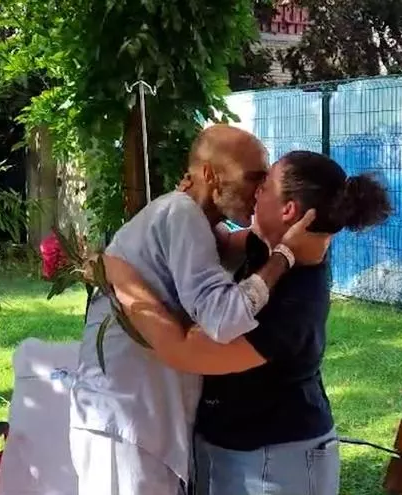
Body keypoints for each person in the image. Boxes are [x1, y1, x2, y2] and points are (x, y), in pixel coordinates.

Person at [104, 150, 393, 495]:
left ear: (289, 211)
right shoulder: (269, 247)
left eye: (266, 185)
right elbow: (222, 241)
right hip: (233, 446)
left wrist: (121, 278)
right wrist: (197, 201)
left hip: (277, 461)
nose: (256, 191)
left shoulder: (294, 305)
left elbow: (185, 351)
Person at [69, 125, 332, 495]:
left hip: (142, 418)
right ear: (210, 175)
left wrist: (296, 241)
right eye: (254, 178)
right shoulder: (182, 214)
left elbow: (229, 246)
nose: (258, 191)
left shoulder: (192, 220)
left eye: (265, 184)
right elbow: (223, 317)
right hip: (127, 418)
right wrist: (284, 255)